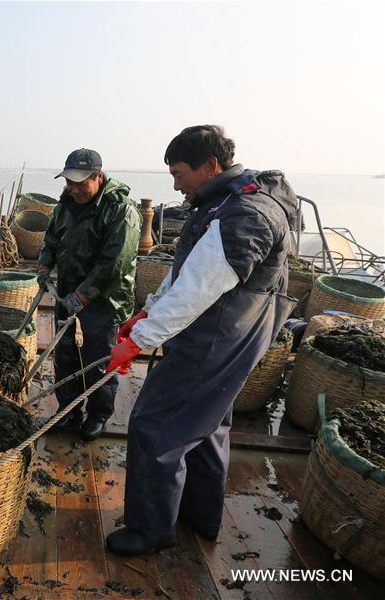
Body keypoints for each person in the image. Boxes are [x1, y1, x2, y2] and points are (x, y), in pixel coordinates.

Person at [105, 125, 297, 555]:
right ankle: (201, 515)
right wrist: (149, 309)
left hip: (216, 338)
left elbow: (198, 290)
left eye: (179, 173)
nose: (175, 183)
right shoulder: (226, 201)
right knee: (206, 424)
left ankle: (151, 529)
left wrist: (137, 340)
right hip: (234, 335)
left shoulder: (245, 214)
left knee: (155, 425)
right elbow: (188, 268)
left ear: (210, 165)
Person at [37, 149, 141, 441]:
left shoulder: (120, 210)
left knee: (99, 360)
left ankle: (98, 415)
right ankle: (69, 410)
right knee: (65, 355)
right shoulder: (65, 204)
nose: (74, 189)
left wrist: (83, 296)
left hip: (105, 302)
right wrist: (45, 263)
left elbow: (114, 263)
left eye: (81, 183)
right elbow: (52, 237)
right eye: (69, 182)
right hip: (68, 294)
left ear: (99, 176)